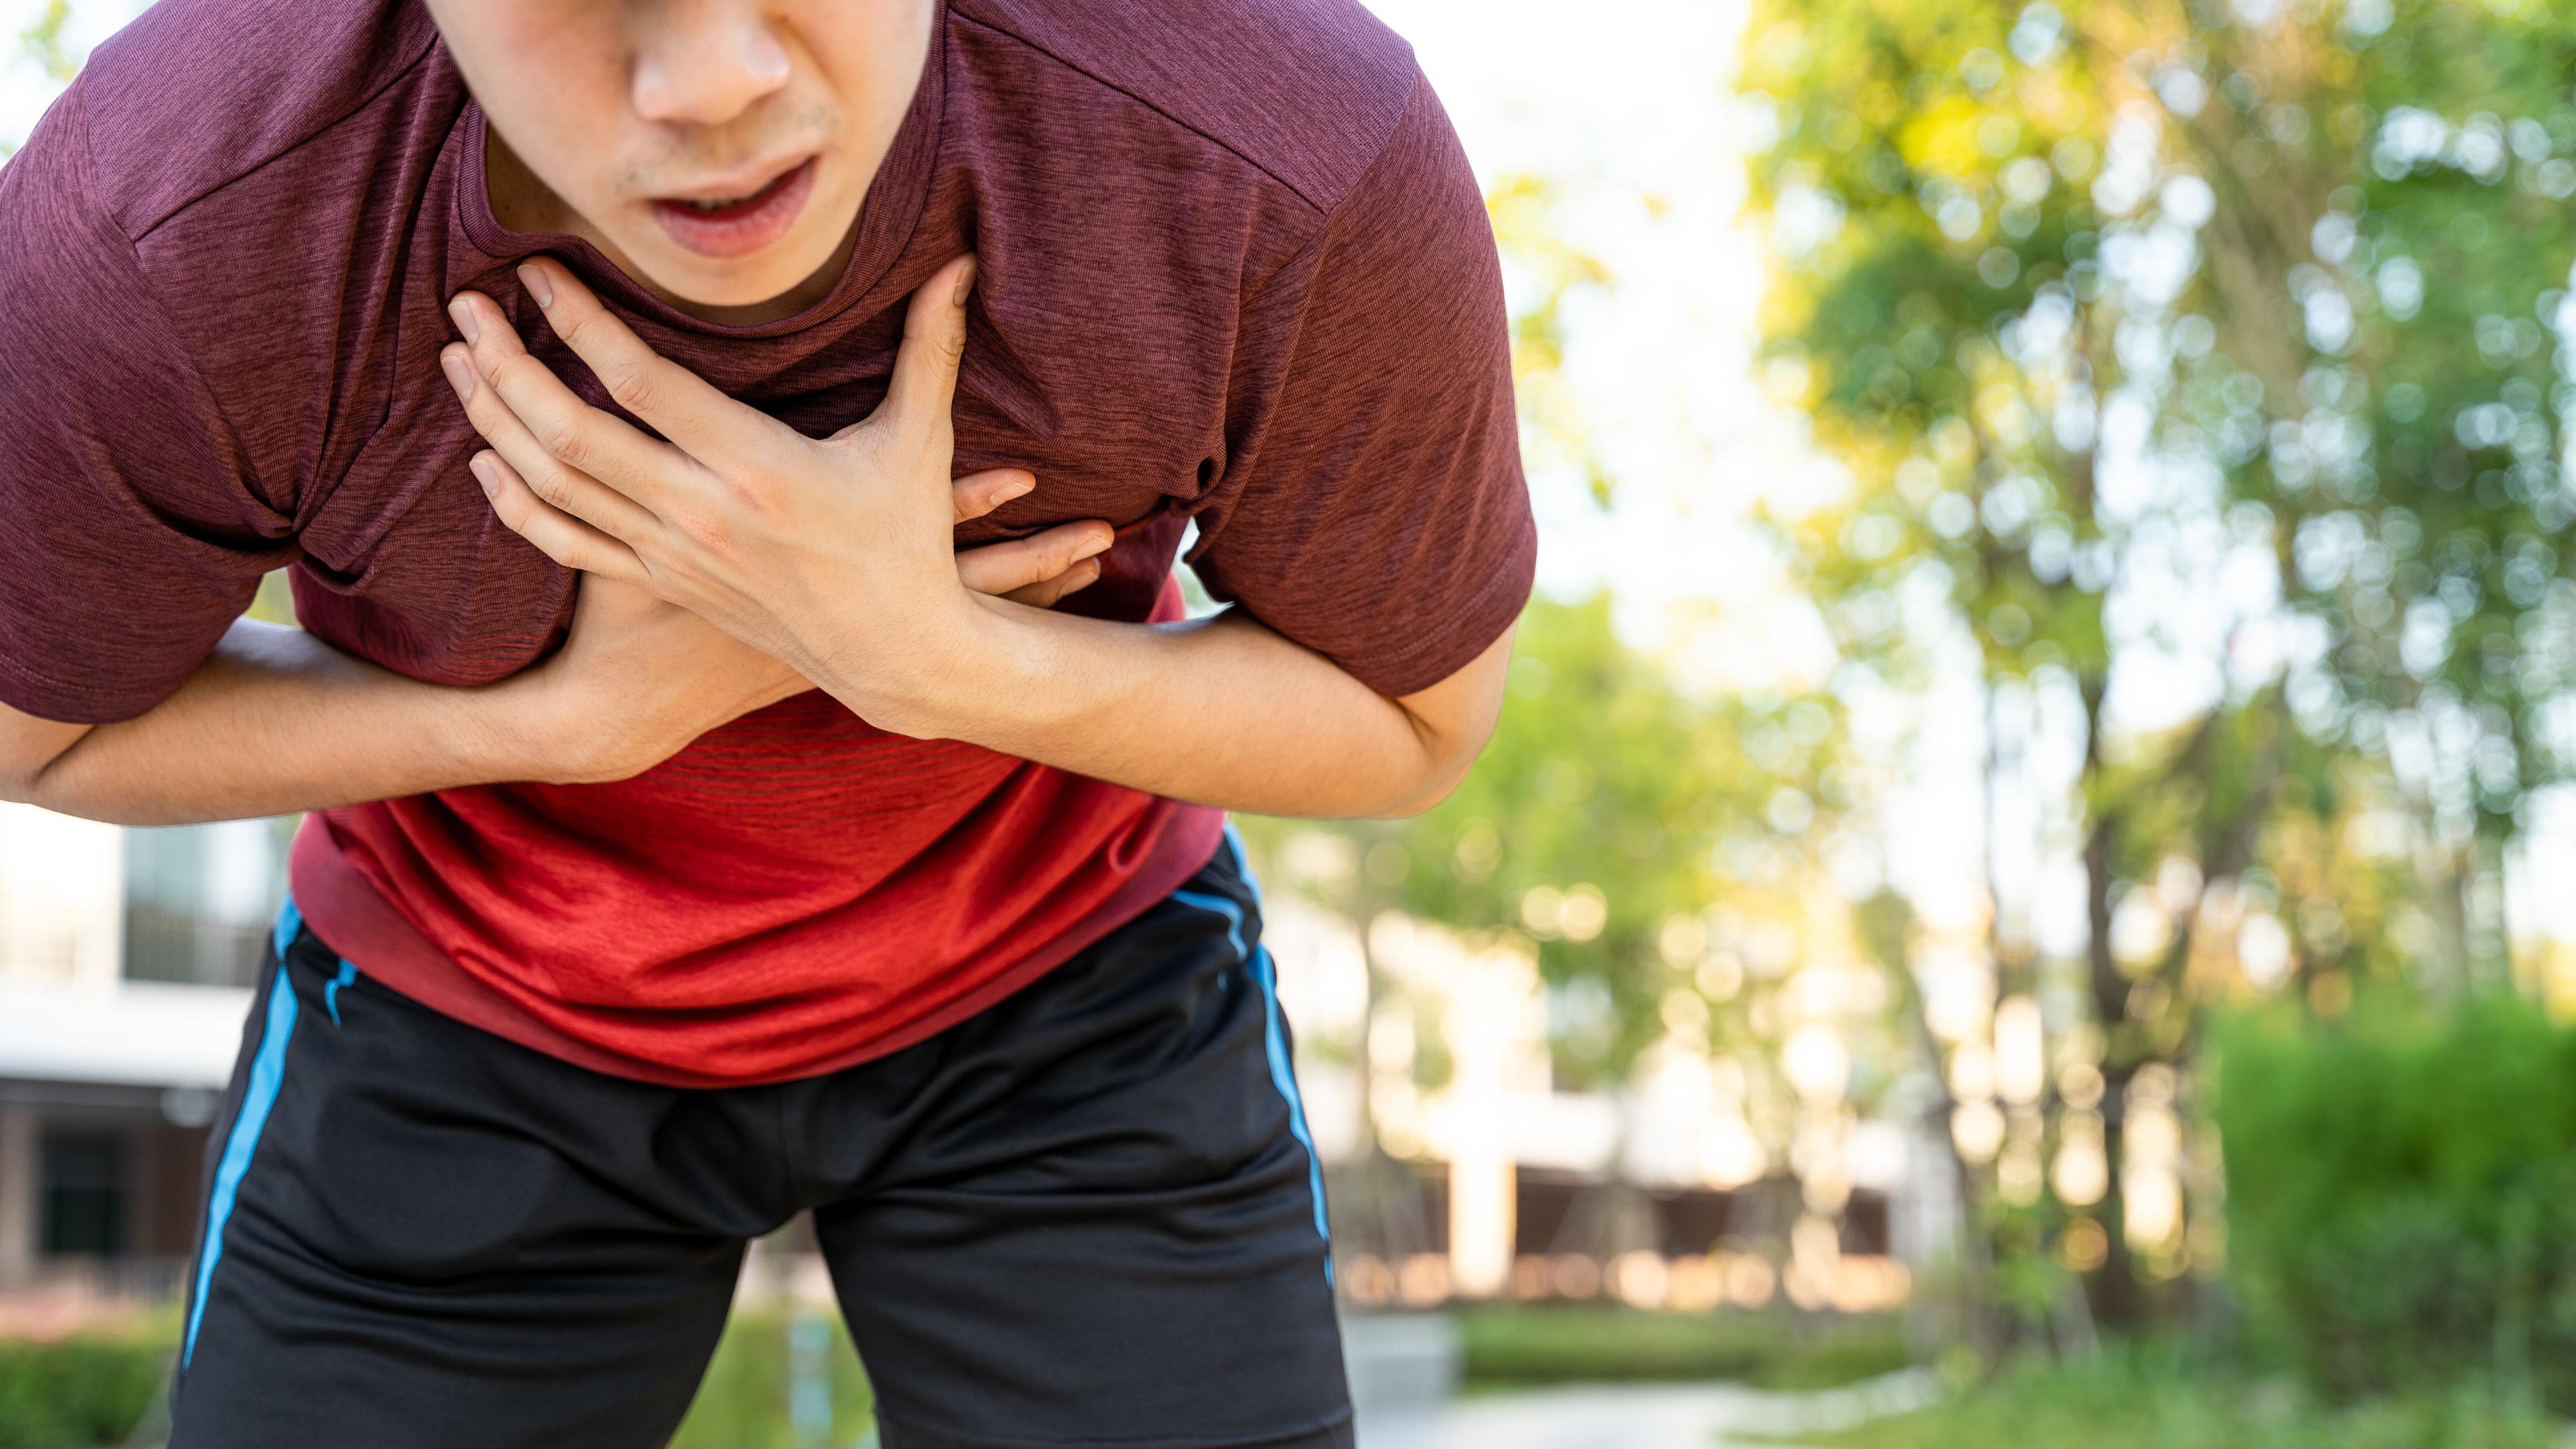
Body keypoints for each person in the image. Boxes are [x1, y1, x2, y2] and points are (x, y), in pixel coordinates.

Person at [0, 0, 1533, 1443]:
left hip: (1071, 979)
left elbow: (1412, 723)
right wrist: (559, 721)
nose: (710, 80)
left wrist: (928, 657)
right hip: (462, 994)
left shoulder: (1282, 134)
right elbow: (31, 735)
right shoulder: (170, 215)